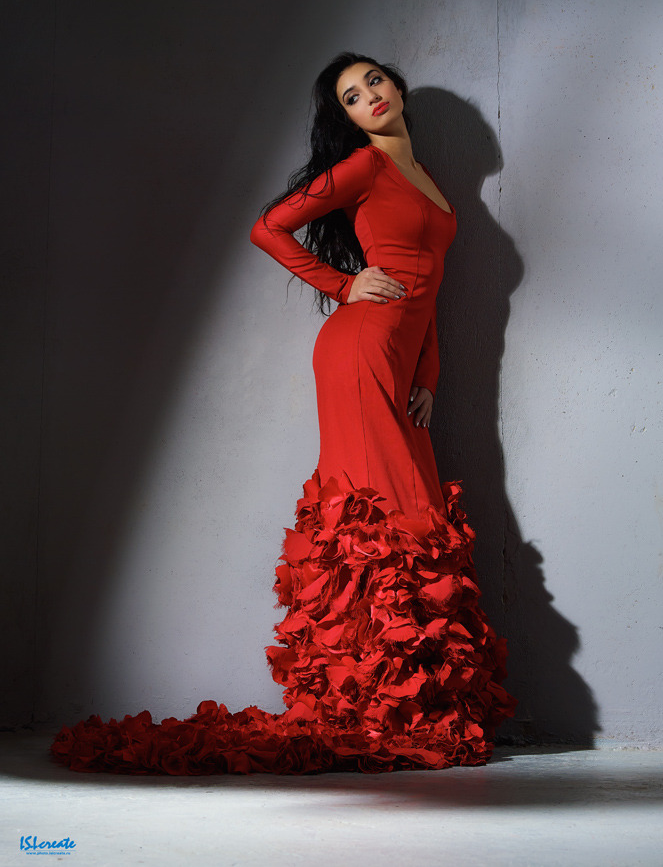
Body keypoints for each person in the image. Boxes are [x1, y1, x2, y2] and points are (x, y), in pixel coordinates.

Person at [50, 53, 516, 775]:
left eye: (374, 83)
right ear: (349, 116)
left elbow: (432, 294)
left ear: (394, 89)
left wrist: (430, 374)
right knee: (383, 512)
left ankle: (404, 698)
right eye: (352, 96)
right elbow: (268, 228)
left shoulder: (435, 185)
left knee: (409, 509)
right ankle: (372, 698)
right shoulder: (361, 168)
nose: (369, 97)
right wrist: (342, 284)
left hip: (402, 362)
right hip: (358, 350)